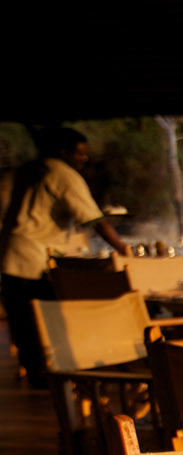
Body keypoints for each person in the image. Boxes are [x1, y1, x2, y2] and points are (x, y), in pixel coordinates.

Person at [0, 127, 128, 387]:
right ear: (64, 152)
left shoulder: (27, 169)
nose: (85, 159)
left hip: (9, 252)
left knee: (24, 323)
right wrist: (126, 252)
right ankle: (54, 379)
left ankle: (38, 375)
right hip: (32, 258)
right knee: (45, 320)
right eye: (80, 153)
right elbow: (95, 220)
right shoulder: (63, 174)